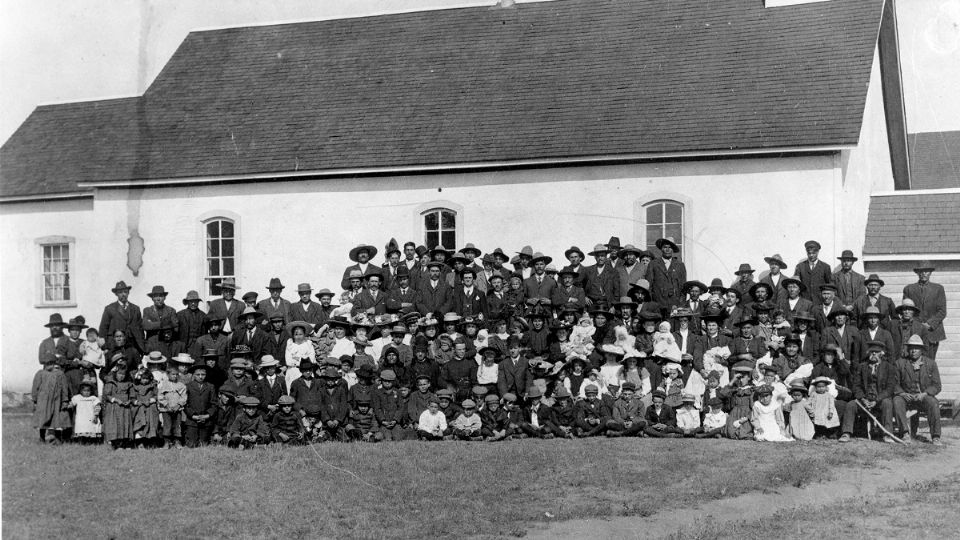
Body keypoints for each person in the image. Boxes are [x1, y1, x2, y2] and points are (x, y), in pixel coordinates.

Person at [839, 341, 896, 443]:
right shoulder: (862, 367)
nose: (873, 354)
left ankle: (887, 435)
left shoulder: (889, 367)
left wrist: (877, 400)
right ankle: (846, 433)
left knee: (887, 403)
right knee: (851, 405)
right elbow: (856, 386)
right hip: (864, 400)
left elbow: (890, 388)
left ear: (881, 354)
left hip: (880, 400)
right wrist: (862, 398)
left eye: (876, 352)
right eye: (871, 351)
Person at [892, 335, 942, 445]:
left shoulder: (931, 364)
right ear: (908, 349)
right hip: (906, 397)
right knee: (897, 400)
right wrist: (902, 393)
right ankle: (905, 433)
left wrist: (925, 393)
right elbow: (894, 383)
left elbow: (937, 385)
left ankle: (935, 436)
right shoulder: (900, 363)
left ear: (922, 350)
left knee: (933, 403)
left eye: (916, 348)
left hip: (923, 397)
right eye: (911, 348)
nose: (913, 351)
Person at [902, 261, 947, 360]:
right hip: (914, 330)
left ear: (930, 273)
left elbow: (942, 311)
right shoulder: (909, 289)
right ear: (917, 273)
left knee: (929, 361)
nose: (923, 274)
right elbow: (906, 310)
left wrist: (929, 324)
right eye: (921, 271)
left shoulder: (938, 289)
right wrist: (918, 325)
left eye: (926, 271)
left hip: (932, 332)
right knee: (912, 359)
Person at [32, 360, 72, 444]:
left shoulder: (60, 374)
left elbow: (65, 388)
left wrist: (65, 400)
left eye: (51, 364)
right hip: (44, 401)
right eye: (47, 364)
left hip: (57, 401)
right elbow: (35, 387)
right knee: (43, 418)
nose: (49, 366)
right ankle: (42, 438)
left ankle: (58, 439)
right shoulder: (40, 373)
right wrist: (35, 400)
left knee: (57, 419)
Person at [99, 281, 145, 353]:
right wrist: (105, 346)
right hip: (115, 344)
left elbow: (140, 328)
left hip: (133, 344)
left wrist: (142, 344)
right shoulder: (110, 308)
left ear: (128, 293)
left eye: (125, 292)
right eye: (120, 292)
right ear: (116, 294)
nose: (123, 294)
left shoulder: (135, 308)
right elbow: (103, 328)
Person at [183, 362, 217, 447]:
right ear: (193, 375)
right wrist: (193, 415)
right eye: (198, 374)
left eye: (203, 374)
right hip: (192, 420)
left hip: (206, 420)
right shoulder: (188, 386)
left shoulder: (210, 386)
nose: (201, 377)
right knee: (192, 444)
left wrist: (207, 416)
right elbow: (185, 404)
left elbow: (214, 403)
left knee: (203, 444)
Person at [101, 364, 134, 449]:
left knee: (124, 424)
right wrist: (116, 400)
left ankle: (124, 443)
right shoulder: (111, 383)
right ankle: (116, 444)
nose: (121, 376)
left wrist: (129, 401)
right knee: (115, 425)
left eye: (123, 374)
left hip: (125, 409)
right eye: (119, 374)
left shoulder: (128, 384)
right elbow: (107, 395)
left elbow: (132, 395)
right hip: (114, 407)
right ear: (115, 374)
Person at [157, 367, 187, 448]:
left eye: (177, 374)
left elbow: (184, 397)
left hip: (177, 409)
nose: (175, 376)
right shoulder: (163, 385)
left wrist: (178, 405)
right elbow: (160, 396)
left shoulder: (181, 385)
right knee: (167, 425)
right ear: (168, 374)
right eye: (173, 374)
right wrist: (166, 405)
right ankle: (166, 442)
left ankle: (177, 442)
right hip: (166, 409)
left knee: (177, 425)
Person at [131, 369, 160, 448]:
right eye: (143, 378)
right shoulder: (135, 387)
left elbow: (156, 395)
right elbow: (132, 398)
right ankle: (139, 443)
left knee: (151, 424)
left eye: (147, 379)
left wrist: (151, 400)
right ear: (139, 378)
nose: (145, 380)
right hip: (139, 408)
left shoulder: (152, 386)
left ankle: (150, 442)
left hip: (150, 408)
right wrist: (136, 402)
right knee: (139, 425)